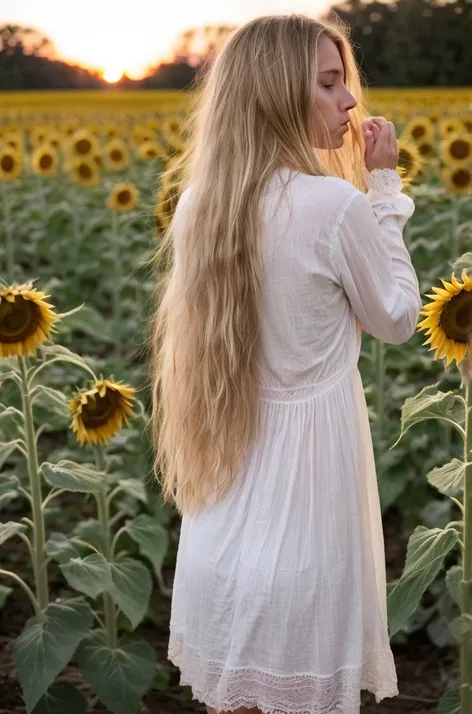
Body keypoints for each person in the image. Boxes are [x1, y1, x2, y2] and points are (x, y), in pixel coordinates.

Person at [148, 12, 421, 714]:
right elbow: (394, 317)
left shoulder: (201, 204)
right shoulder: (333, 204)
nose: (351, 102)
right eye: (330, 84)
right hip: (309, 505)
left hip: (226, 509)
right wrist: (384, 190)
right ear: (276, 93)